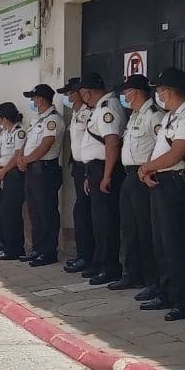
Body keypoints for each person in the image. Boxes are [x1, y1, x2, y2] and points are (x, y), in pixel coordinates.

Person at [138, 68, 185, 321]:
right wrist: (148, 168)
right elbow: (159, 148)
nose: (158, 95)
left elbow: (176, 153)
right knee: (161, 243)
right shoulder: (169, 116)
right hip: (160, 180)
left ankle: (184, 300)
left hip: (175, 183)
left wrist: (146, 168)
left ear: (168, 91)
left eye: (159, 90)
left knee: (174, 244)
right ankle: (166, 292)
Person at [114, 74, 163, 293]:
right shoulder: (134, 115)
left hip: (144, 175)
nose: (124, 96)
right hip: (129, 175)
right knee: (129, 228)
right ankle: (132, 273)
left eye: (126, 92)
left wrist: (149, 169)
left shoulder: (154, 115)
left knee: (145, 229)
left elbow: (162, 145)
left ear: (135, 92)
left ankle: (152, 280)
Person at [78, 73, 125, 284]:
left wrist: (106, 175)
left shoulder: (107, 108)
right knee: (98, 221)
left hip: (105, 169)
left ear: (87, 93)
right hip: (95, 169)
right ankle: (100, 262)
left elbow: (112, 142)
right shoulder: (99, 107)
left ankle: (109, 267)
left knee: (106, 222)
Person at [19, 84, 63, 266]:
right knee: (34, 211)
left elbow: (46, 144)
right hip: (32, 169)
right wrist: (22, 158)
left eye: (34, 98)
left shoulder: (53, 119)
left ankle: (48, 252)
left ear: (41, 99)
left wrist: (27, 159)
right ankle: (37, 248)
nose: (32, 101)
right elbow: (28, 141)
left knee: (46, 212)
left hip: (45, 170)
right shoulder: (37, 120)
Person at [58, 78, 95, 274]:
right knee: (80, 213)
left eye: (70, 93)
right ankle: (82, 254)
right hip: (79, 167)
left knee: (86, 214)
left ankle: (88, 257)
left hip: (90, 168)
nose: (68, 97)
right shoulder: (76, 114)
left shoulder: (89, 113)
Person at [0, 102, 26, 260]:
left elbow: (17, 155)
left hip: (13, 174)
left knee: (9, 211)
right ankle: (3, 240)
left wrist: (4, 171)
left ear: (4, 118)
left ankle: (14, 248)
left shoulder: (19, 132)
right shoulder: (4, 133)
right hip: (1, 173)